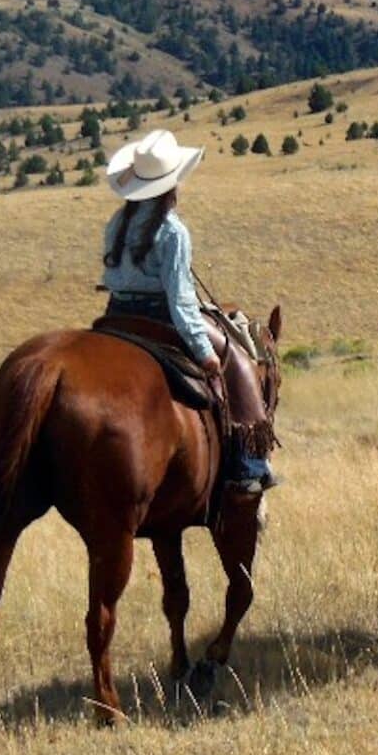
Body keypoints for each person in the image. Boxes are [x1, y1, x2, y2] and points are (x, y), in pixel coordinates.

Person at [100, 129, 279, 492]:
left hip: (116, 315)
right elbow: (181, 302)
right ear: (172, 183)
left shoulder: (118, 222)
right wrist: (204, 353)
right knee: (239, 364)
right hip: (160, 316)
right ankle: (248, 467)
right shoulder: (172, 231)